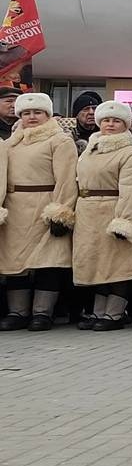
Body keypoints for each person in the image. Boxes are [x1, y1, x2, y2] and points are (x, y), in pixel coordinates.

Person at [0, 93, 78, 331]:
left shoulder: (59, 141)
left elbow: (66, 179)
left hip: (45, 204)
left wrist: (60, 211)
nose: (31, 117)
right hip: (15, 208)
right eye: (26, 113)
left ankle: (42, 313)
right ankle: (18, 312)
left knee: (48, 262)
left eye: (37, 113)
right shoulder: (11, 143)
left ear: (47, 114)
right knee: (15, 262)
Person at [71, 101, 132, 331]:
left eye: (116, 121)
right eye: (106, 120)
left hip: (112, 210)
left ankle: (114, 313)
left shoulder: (130, 154)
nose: (110, 124)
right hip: (87, 213)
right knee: (97, 263)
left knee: (117, 264)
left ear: (125, 124)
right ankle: (98, 311)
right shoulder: (89, 150)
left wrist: (125, 220)